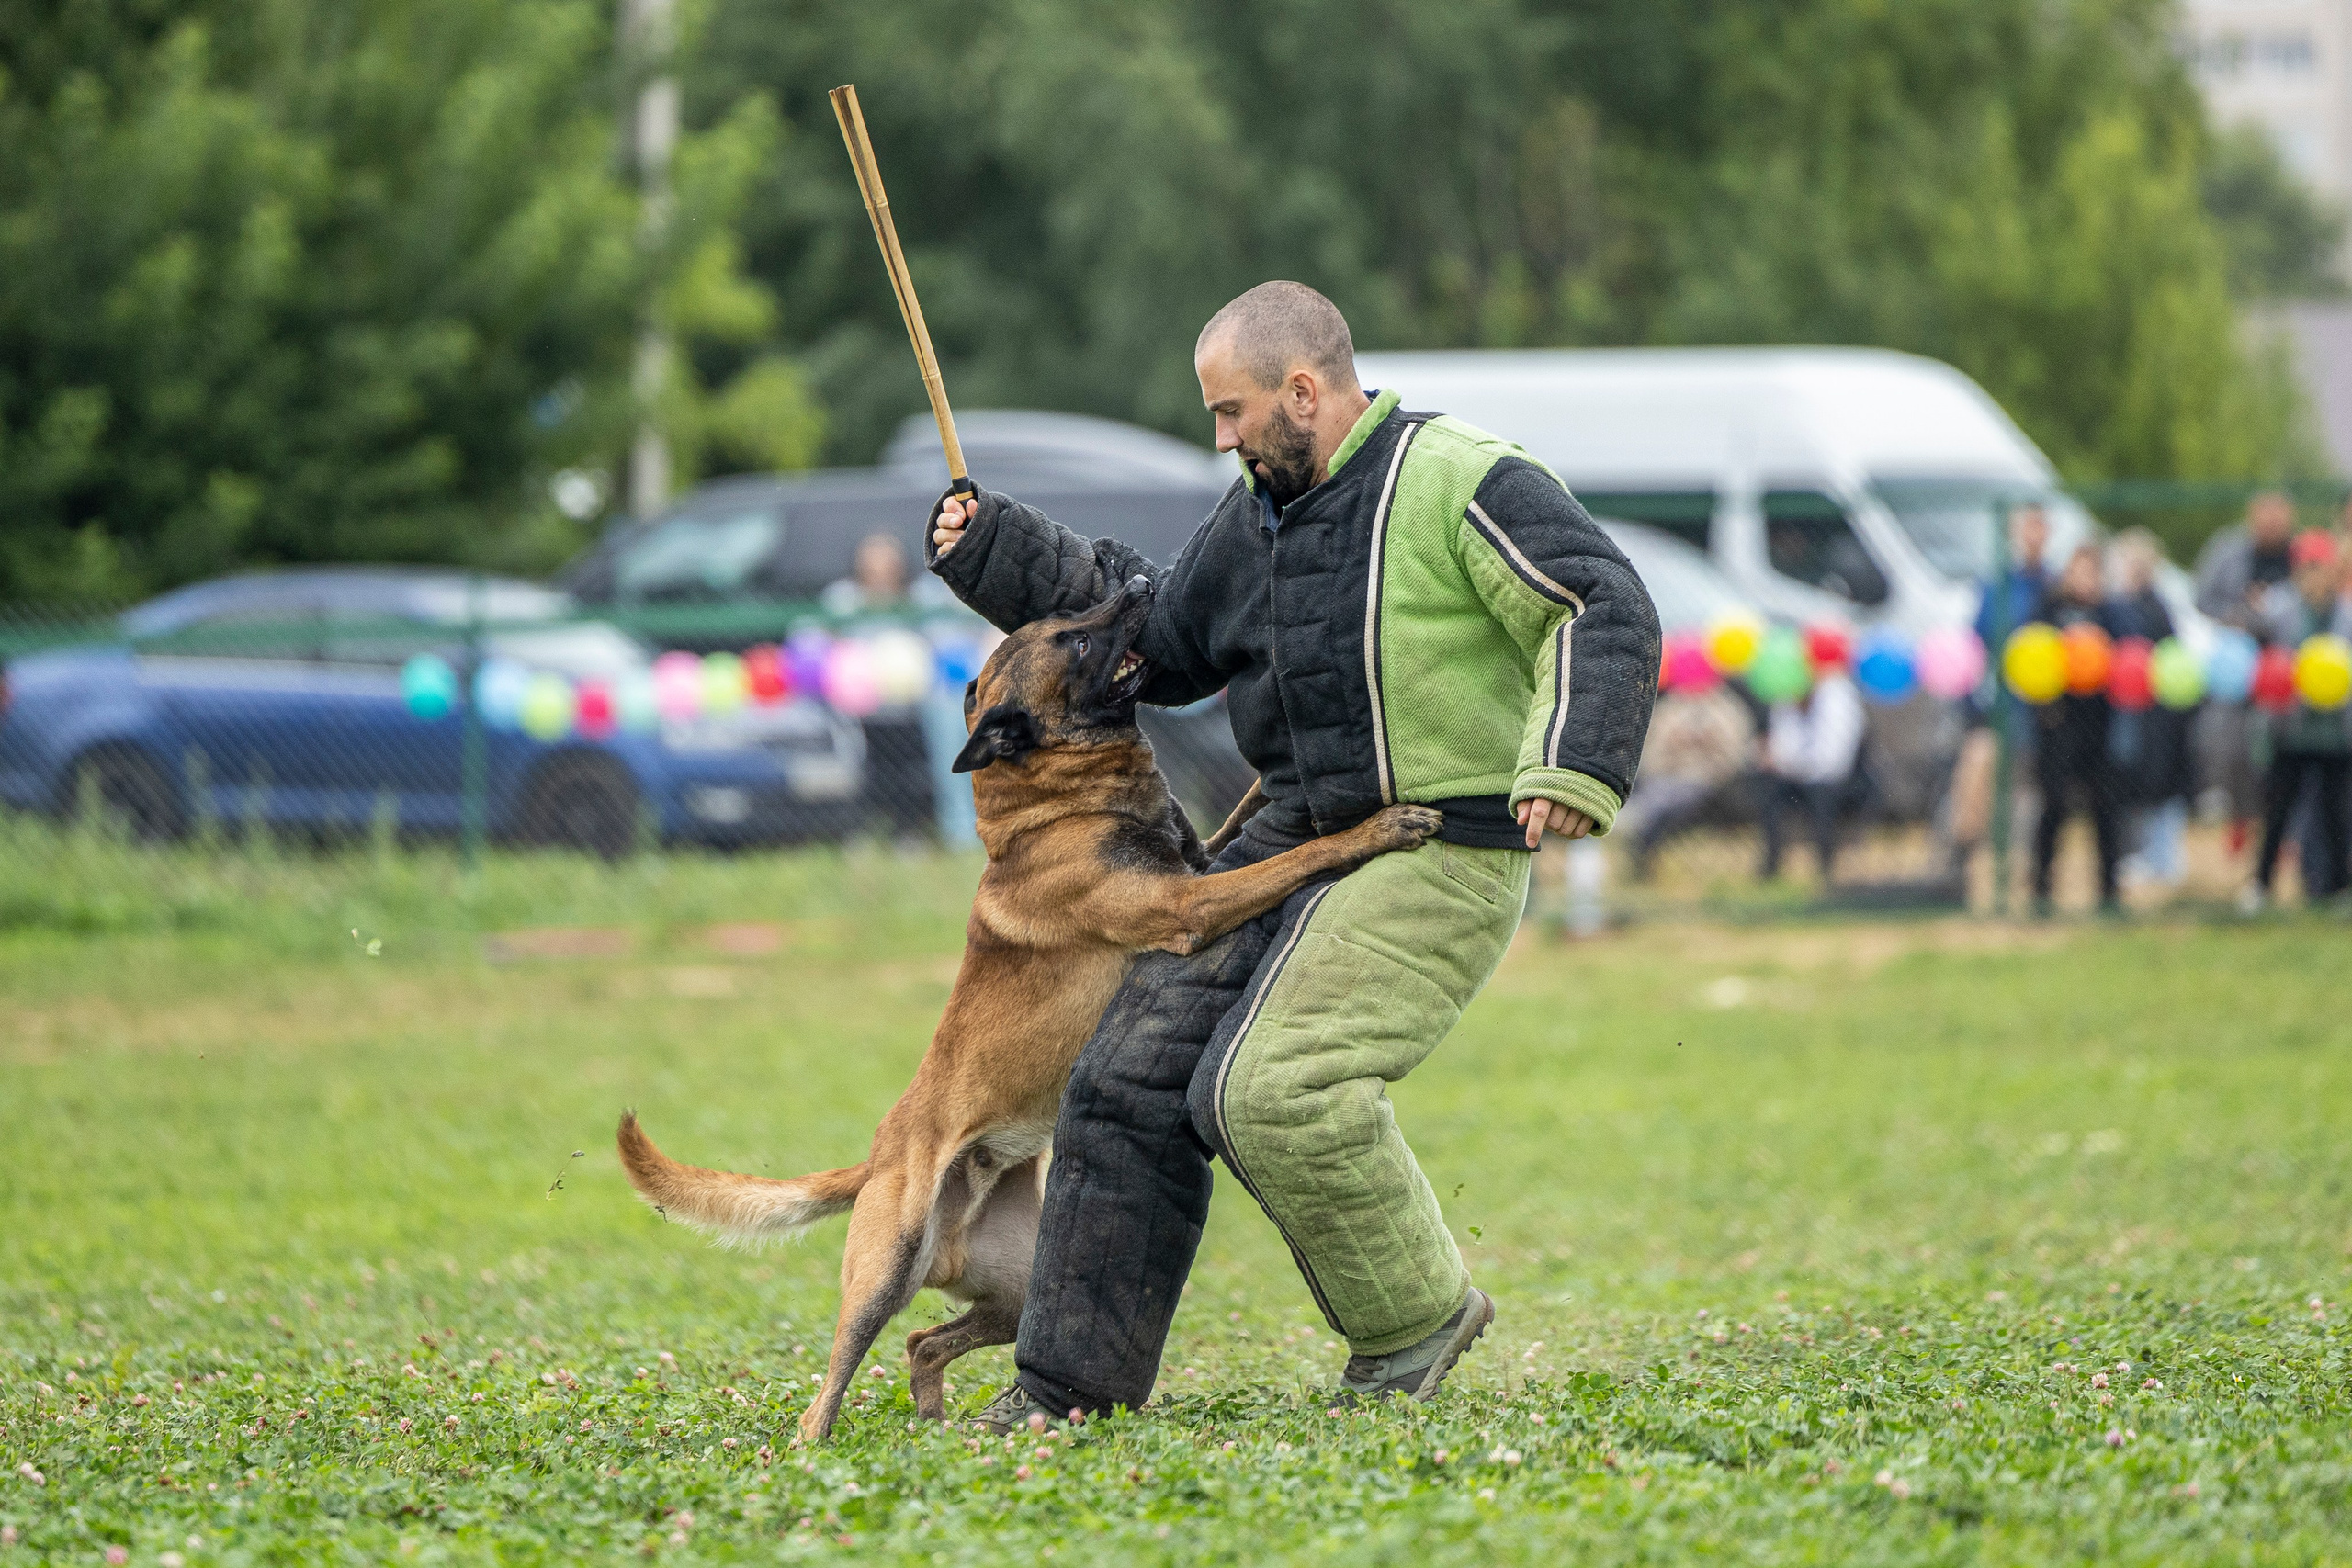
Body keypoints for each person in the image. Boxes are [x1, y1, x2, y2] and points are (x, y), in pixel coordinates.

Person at [927, 281, 1659, 1425]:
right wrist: (1000, 552)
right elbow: (1154, 637)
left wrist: (1570, 762)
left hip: (1442, 841)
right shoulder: (1257, 507)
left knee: (1268, 1089)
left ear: (1303, 391)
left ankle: (1414, 1320)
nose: (1220, 438)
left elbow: (1599, 600)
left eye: (1231, 413)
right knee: (1119, 1084)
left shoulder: (1462, 477)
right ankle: (1067, 1388)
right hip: (1289, 833)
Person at [2245, 530, 2352, 910]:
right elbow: (2262, 665)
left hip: (2336, 734)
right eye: (2306, 569)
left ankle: (2340, 889)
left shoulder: (2345, 616)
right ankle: (2260, 887)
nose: (2313, 577)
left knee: (2336, 813)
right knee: (2278, 812)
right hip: (2290, 732)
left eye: (2320, 568)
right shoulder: (2280, 614)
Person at [1947, 502, 2052, 866]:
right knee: (1977, 768)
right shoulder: (1997, 587)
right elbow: (1977, 647)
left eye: (2039, 528)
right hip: (2000, 707)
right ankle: (1961, 857)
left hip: (2043, 710)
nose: (2032, 537)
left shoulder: (2053, 589)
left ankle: (2019, 865)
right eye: (2026, 528)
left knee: (2027, 793)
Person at [2027, 545, 2125, 914]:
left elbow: (2130, 657)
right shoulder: (2049, 610)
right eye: (2078, 571)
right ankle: (2040, 889)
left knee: (2105, 809)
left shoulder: (2112, 614)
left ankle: (2109, 891)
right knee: (2053, 806)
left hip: (2099, 724)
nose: (2084, 580)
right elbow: (2032, 658)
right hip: (2057, 724)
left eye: (2091, 573)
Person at [2107, 529, 2192, 889]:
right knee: (2125, 780)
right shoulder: (2114, 607)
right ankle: (2136, 854)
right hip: (2124, 711)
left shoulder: (2159, 608)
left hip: (2155, 715)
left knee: (2157, 782)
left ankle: (2161, 856)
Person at [1615, 682, 1755, 880]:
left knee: (1665, 804)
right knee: (1653, 801)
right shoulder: (1668, 710)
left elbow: (1738, 759)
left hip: (1709, 786)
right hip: (1666, 780)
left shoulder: (1727, 709)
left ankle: (1642, 846)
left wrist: (1711, 747)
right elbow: (1649, 760)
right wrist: (1673, 748)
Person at [1752, 664, 1864, 883]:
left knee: (1821, 796)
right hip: (1800, 776)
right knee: (1769, 792)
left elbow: (1832, 761)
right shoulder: (1787, 701)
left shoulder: (1837, 703)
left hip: (1840, 780)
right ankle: (1772, 867)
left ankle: (1825, 867)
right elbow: (1782, 747)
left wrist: (1789, 763)